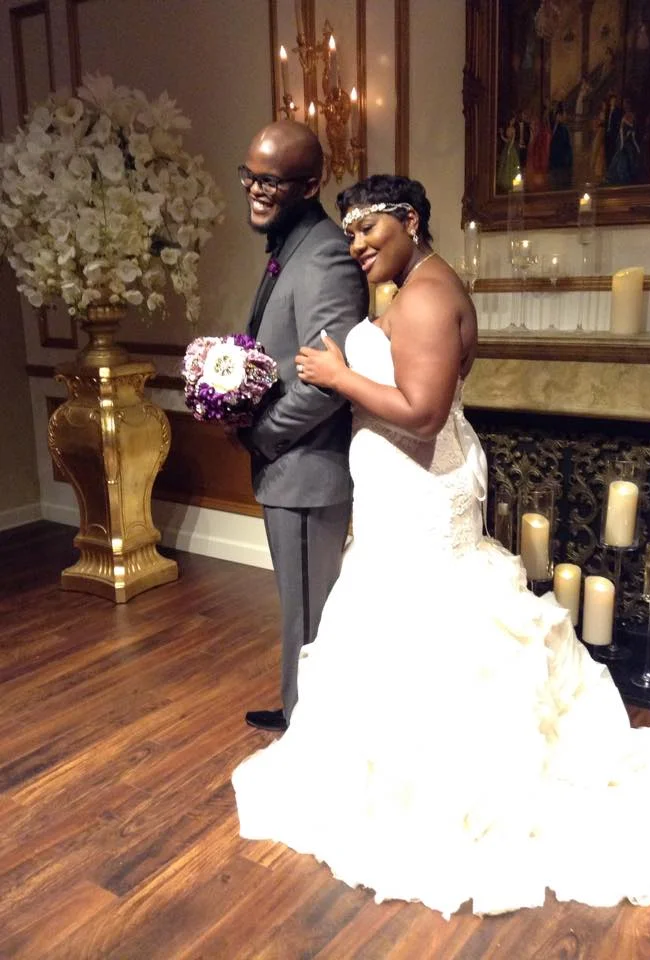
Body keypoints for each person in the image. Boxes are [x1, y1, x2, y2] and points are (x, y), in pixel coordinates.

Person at [232, 174, 650, 918]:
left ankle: (432, 782)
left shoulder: (422, 297)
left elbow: (421, 416)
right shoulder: (421, 283)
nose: (355, 245)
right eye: (348, 231)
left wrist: (339, 376)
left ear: (411, 221)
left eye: (368, 229)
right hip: (411, 485)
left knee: (429, 619)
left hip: (419, 483)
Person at [234, 120, 368, 732]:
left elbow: (327, 380)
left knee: (312, 610)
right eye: (250, 176)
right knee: (297, 607)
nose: (256, 191)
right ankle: (297, 708)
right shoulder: (290, 245)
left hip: (308, 469)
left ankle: (314, 730)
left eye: (272, 181)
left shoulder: (325, 254)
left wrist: (263, 433)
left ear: (310, 184)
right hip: (287, 465)